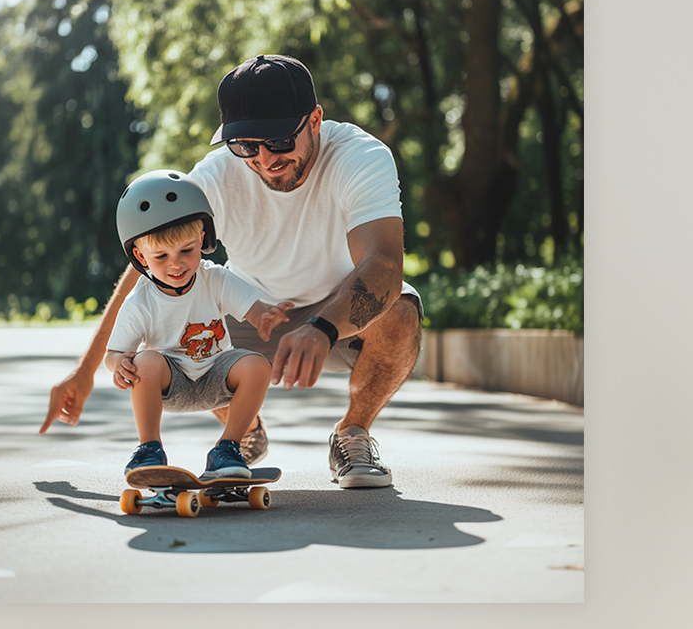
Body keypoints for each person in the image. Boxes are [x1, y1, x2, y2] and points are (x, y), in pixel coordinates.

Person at [40, 55, 423, 490]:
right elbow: (146, 272)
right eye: (245, 146)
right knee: (170, 319)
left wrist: (322, 327)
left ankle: (352, 433)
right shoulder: (215, 177)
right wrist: (85, 371)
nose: (265, 158)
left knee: (400, 312)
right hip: (247, 312)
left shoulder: (359, 156)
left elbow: (384, 265)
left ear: (315, 120)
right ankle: (243, 433)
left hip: (338, 311)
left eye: (279, 140)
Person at [104, 169, 288, 481]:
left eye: (186, 251)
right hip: (170, 383)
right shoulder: (140, 301)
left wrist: (264, 317)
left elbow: (253, 309)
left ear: (201, 240)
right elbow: (114, 353)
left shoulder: (214, 278)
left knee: (257, 366)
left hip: (217, 375)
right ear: (140, 256)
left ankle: (227, 449)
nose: (176, 264)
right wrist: (119, 364)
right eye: (161, 256)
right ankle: (149, 449)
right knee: (145, 360)